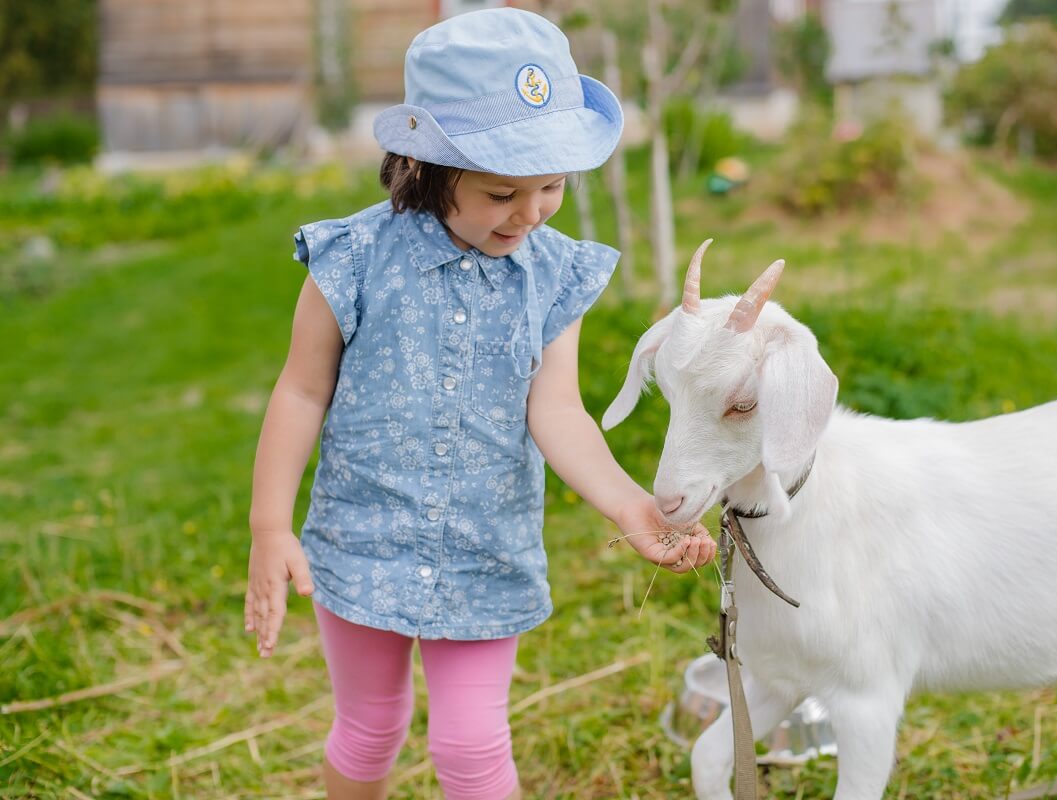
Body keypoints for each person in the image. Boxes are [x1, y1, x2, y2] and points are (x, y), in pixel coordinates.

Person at [244, 8, 715, 800]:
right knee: (369, 732)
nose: (530, 214)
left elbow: (557, 412)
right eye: (502, 192)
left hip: (484, 552)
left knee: (470, 748)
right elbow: (300, 388)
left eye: (552, 187)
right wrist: (269, 526)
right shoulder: (353, 257)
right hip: (363, 541)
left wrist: (632, 507)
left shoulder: (551, 273)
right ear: (427, 167)